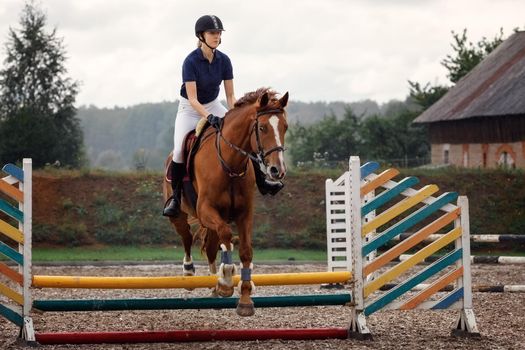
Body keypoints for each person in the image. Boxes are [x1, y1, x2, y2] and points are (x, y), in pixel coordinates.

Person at [163, 15, 283, 217]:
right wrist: (209, 118)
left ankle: (263, 182)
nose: (216, 36)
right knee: (178, 152)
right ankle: (175, 198)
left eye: (218, 33)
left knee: (244, 135)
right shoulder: (190, 61)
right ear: (201, 36)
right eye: (212, 33)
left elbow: (229, 96)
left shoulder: (224, 60)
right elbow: (193, 99)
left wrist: (238, 115)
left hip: (213, 103)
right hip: (189, 109)